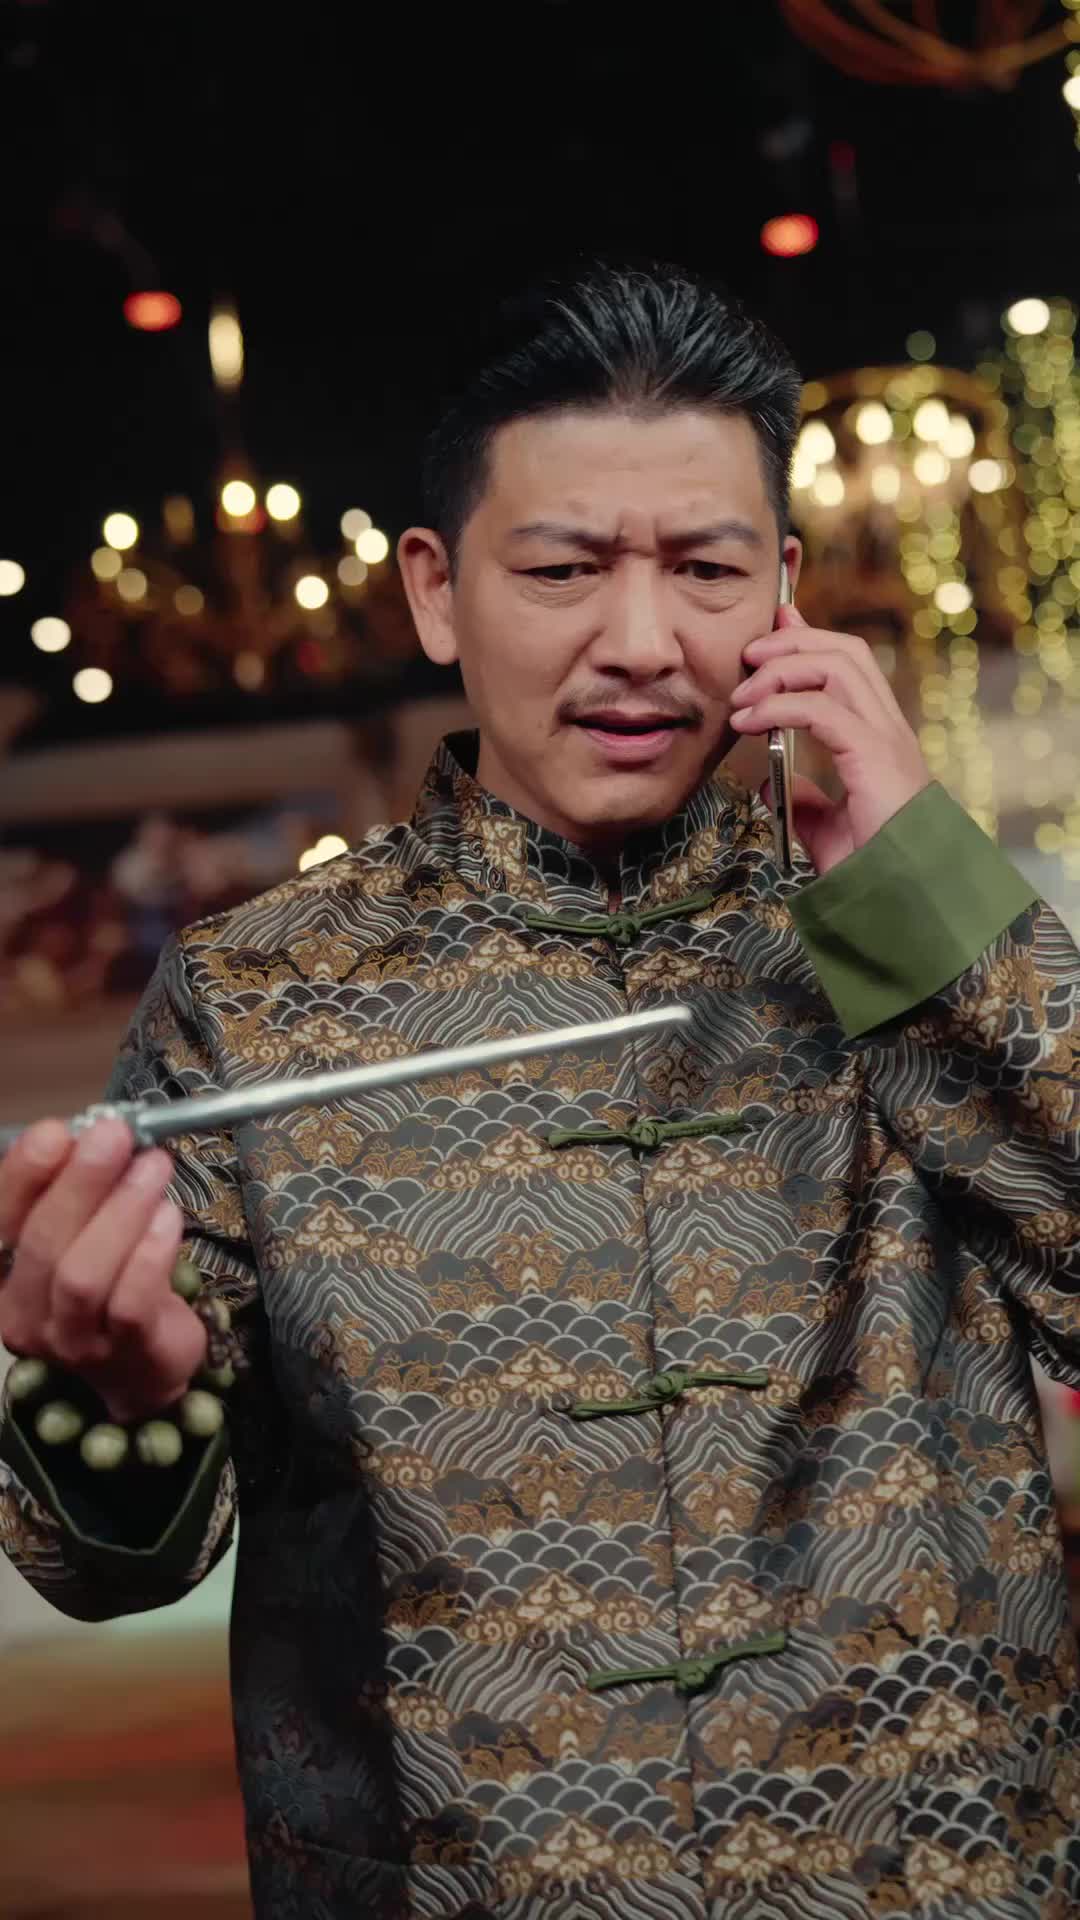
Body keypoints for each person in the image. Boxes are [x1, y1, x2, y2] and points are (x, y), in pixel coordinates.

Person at [2, 259, 1079, 1920]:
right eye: (563, 569)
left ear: (786, 591)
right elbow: (95, 1562)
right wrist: (123, 1394)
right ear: (437, 593)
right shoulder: (258, 999)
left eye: (706, 569)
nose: (640, 644)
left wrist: (925, 893)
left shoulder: (909, 934)